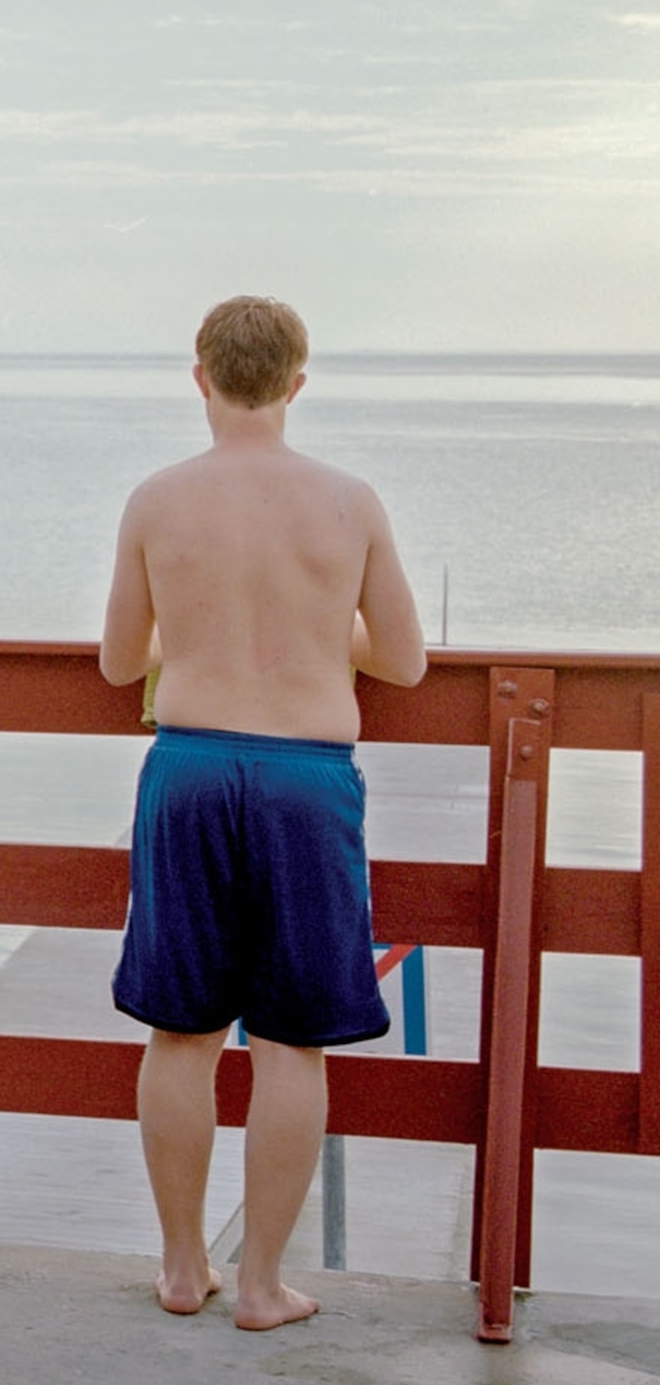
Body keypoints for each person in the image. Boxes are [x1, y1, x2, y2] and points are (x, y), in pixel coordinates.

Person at [99, 295, 427, 1330]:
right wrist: (322, 634)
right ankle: (262, 1284)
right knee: (291, 1041)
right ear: (296, 381)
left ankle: (183, 1266)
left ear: (200, 376)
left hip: (189, 770)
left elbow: (118, 660)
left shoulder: (157, 500)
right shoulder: (349, 501)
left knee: (181, 1029)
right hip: (304, 777)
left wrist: (189, 648)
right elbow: (409, 661)